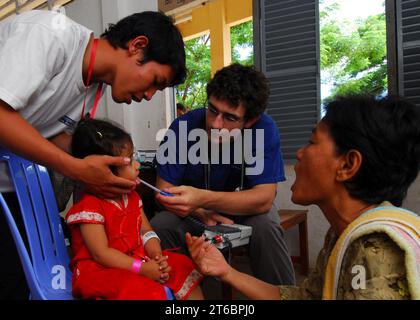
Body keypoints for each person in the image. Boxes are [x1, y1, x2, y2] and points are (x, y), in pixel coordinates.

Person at [0, 10, 186, 299]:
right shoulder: (50, 35)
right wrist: (76, 168)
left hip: (9, 187)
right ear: (137, 46)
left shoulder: (93, 89)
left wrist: (110, 169)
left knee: (16, 282)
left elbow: (50, 133)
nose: (150, 95)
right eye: (155, 82)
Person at [187, 95, 420, 300]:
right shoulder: (341, 234)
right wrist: (227, 272)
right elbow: (305, 296)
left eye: (312, 142)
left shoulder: (377, 249)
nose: (299, 153)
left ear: (348, 165)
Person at [151, 64, 295, 285]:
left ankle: (282, 294)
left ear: (250, 121)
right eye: (213, 110)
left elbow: (264, 199)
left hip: (244, 212)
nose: (215, 124)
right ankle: (171, 291)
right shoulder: (183, 126)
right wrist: (200, 210)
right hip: (194, 212)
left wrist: (202, 198)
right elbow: (164, 189)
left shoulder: (264, 128)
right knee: (161, 225)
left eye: (230, 118)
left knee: (266, 228)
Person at [65, 119, 203, 300]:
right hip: (101, 271)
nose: (137, 165)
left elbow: (146, 231)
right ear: (105, 171)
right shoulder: (89, 207)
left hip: (137, 259)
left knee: (180, 265)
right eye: (129, 161)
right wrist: (142, 269)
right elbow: (101, 254)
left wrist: (156, 256)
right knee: (142, 289)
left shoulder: (131, 198)